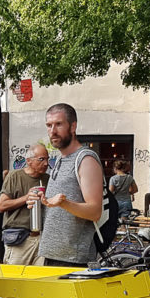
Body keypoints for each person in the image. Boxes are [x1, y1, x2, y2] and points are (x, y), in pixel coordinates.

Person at [36, 103, 104, 268]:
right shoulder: (59, 159)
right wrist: (39, 201)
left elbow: (95, 211)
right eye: (49, 125)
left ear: (73, 126)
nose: (52, 131)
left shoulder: (85, 159)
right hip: (51, 255)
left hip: (74, 259)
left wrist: (64, 203)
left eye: (58, 124)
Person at [0, 143, 50, 298]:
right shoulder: (15, 177)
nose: (46, 163)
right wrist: (26, 198)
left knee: (36, 282)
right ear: (29, 160)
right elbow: (2, 206)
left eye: (47, 159)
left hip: (42, 237)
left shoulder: (47, 180)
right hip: (19, 238)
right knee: (14, 280)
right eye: (41, 159)